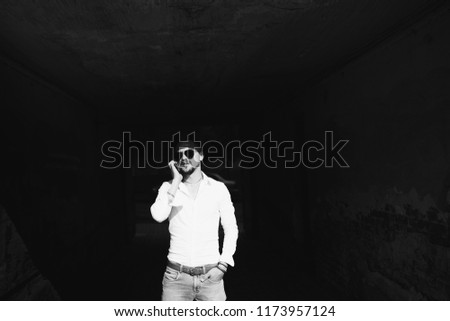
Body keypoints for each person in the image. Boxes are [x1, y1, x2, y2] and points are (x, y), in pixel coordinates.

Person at [150, 140, 238, 301]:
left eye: (189, 153)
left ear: (201, 156)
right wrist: (175, 181)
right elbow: (158, 215)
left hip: (211, 277)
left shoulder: (218, 188)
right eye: (179, 155)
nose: (184, 158)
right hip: (175, 278)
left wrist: (224, 264)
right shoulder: (168, 187)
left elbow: (231, 228)